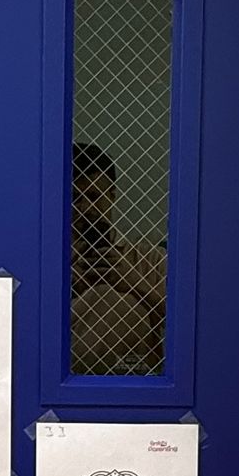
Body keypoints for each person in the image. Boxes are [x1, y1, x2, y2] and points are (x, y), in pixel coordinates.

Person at [69, 141, 168, 375]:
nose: (85, 208)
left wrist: (131, 281)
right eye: (74, 198)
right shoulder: (47, 266)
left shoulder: (151, 258)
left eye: (94, 196)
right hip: (64, 391)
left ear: (111, 196)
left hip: (140, 389)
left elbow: (190, 327)